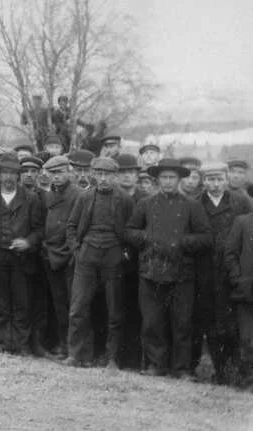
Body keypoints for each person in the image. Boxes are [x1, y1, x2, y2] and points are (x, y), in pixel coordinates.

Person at [125, 157, 213, 378]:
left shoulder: (192, 205)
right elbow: (129, 231)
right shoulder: (145, 204)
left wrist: (183, 242)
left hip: (182, 273)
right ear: (157, 179)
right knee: (152, 322)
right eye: (163, 177)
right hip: (151, 271)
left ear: (179, 179)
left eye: (172, 177)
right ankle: (156, 365)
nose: (167, 181)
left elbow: (206, 237)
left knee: (182, 323)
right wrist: (147, 237)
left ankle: (181, 368)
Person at [62, 157, 136, 369]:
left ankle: (112, 358)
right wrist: (77, 250)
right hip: (87, 256)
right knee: (78, 307)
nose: (103, 179)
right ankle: (75, 354)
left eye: (108, 175)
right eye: (99, 174)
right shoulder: (85, 197)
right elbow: (71, 226)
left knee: (114, 309)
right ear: (94, 174)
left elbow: (132, 230)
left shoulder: (125, 200)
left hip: (113, 257)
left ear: (115, 176)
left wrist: (125, 254)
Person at [194, 163, 253, 384]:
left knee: (233, 324)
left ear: (226, 180)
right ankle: (219, 370)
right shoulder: (196, 203)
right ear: (204, 181)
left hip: (232, 273)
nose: (216, 184)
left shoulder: (241, 202)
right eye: (211, 179)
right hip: (205, 271)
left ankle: (236, 371)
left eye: (220, 179)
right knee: (211, 323)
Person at [0, 154, 44, 355]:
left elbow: (40, 229)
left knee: (21, 301)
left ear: (18, 176)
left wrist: (28, 242)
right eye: (5, 172)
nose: (8, 177)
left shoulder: (31, 199)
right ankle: (1, 342)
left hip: (21, 258)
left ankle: (20, 344)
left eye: (12, 173)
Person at [40, 155, 81, 359]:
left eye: (60, 173)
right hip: (52, 256)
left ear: (69, 172)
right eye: (52, 173)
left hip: (70, 258)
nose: (56, 177)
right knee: (59, 304)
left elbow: (77, 227)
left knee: (74, 305)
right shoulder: (49, 196)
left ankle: (76, 349)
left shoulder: (78, 195)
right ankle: (64, 345)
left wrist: (71, 252)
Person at [224, 208, 253, 387]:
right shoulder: (242, 222)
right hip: (247, 292)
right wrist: (238, 279)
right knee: (247, 338)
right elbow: (230, 253)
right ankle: (248, 378)